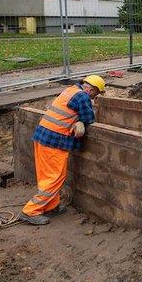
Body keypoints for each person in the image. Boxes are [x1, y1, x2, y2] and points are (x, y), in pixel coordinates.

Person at [18, 75, 106, 225]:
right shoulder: (83, 97)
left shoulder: (70, 90)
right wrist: (82, 122)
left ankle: (51, 206)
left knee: (47, 175)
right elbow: (89, 117)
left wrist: (78, 120)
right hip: (54, 141)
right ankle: (30, 211)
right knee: (54, 177)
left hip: (43, 136)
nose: (94, 98)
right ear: (92, 90)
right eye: (96, 95)